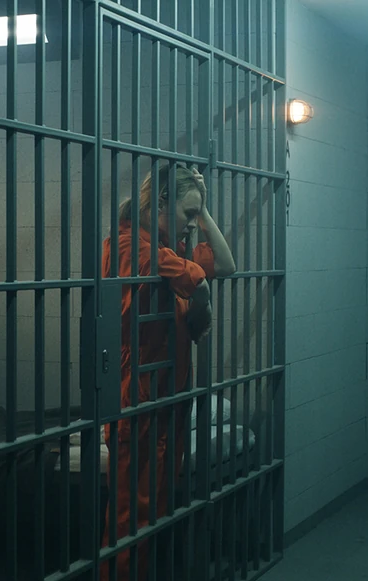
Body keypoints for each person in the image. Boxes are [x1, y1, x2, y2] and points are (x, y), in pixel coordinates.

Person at [99, 163, 235, 581]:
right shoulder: (129, 245)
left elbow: (225, 265)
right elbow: (199, 281)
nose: (192, 225)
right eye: (187, 214)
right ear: (161, 203)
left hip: (166, 394)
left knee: (152, 509)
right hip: (139, 391)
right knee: (131, 515)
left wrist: (203, 208)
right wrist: (201, 305)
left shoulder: (166, 249)